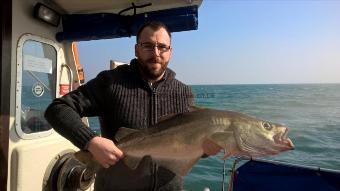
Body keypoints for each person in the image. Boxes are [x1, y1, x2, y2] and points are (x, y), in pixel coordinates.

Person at [45, 21, 220, 191]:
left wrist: (204, 148)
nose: (156, 53)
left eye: (162, 47)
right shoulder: (110, 82)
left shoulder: (183, 92)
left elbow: (189, 144)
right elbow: (58, 109)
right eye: (148, 46)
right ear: (136, 49)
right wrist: (90, 141)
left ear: (170, 52)